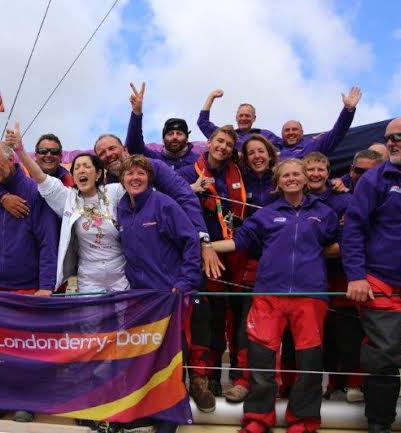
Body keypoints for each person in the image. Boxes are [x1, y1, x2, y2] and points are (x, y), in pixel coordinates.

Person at [213, 158, 338, 433]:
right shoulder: (266, 214)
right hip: (269, 294)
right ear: (278, 182)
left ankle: (303, 420)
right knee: (262, 360)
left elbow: (337, 244)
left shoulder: (324, 213)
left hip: (311, 294)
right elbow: (240, 241)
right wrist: (208, 247)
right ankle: (258, 419)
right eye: (286, 176)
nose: (291, 178)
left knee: (309, 363)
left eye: (296, 174)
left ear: (306, 179)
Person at [343, 113, 401, 433]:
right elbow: (353, 229)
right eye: (387, 138)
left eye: (397, 137)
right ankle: (379, 425)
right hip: (383, 281)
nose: (389, 144)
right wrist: (355, 275)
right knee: (381, 357)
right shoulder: (375, 178)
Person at [0, 129, 58, 423]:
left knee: (26, 350)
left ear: (11, 160)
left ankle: (26, 401)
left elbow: (49, 243)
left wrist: (46, 287)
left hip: (29, 289)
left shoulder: (35, 192)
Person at [116, 155, 202, 433]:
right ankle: (149, 411)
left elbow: (190, 241)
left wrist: (184, 283)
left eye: (141, 173)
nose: (135, 178)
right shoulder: (122, 208)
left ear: (150, 178)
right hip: (140, 298)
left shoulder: (165, 204)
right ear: (122, 179)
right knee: (144, 357)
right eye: (130, 174)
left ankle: (169, 418)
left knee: (171, 358)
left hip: (169, 295)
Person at [175, 125, 247, 409]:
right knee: (208, 314)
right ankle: (206, 377)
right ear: (209, 142)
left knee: (233, 315)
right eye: (220, 140)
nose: (224, 147)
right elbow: (170, 203)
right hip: (203, 254)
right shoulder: (186, 172)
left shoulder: (240, 175)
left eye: (229, 143)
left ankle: (230, 376)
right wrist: (192, 190)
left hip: (235, 250)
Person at [8, 128, 128, 294]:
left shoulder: (114, 191)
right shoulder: (69, 198)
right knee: (91, 320)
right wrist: (19, 151)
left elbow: (140, 188)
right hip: (89, 277)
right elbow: (43, 179)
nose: (82, 170)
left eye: (87, 166)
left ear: (98, 173)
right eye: (77, 168)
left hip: (121, 273)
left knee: (126, 319)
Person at [94, 133, 223, 281]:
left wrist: (204, 241)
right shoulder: (107, 185)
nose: (108, 155)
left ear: (124, 148)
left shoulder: (152, 166)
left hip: (173, 265)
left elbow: (186, 197)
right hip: (139, 276)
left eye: (112, 148)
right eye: (102, 153)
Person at [221, 134, 280, 404]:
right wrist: (207, 247)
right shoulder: (239, 181)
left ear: (270, 153)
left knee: (281, 326)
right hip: (248, 260)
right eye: (251, 152)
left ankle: (281, 382)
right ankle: (242, 378)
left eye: (261, 151)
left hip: (284, 264)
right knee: (245, 320)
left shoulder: (283, 181)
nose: (257, 156)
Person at [303, 151, 363, 403]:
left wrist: (307, 251)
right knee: (322, 334)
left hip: (340, 275)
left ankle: (353, 383)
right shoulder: (296, 198)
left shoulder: (343, 200)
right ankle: (331, 384)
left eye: (321, 169)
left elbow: (347, 241)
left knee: (347, 331)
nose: (316, 174)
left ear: (329, 173)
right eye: (311, 170)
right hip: (309, 278)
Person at [125, 82, 198, 170]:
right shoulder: (154, 158)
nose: (175, 137)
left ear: (187, 138)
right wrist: (136, 113)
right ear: (163, 139)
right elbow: (134, 147)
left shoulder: (198, 160)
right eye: (170, 134)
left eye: (179, 133)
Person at [278, 87, 362, 160]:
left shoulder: (312, 146)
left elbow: (337, 132)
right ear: (281, 134)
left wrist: (348, 110)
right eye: (287, 130)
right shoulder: (272, 147)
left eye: (295, 130)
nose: (291, 133)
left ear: (302, 133)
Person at [197, 89, 282, 150]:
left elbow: (287, 146)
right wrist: (211, 97)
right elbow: (203, 123)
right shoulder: (228, 136)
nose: (243, 118)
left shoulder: (266, 135)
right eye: (241, 115)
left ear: (254, 118)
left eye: (247, 116)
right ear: (236, 118)